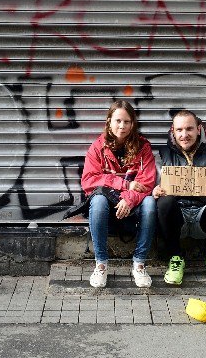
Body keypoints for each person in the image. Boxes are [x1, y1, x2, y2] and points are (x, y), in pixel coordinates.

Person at [152, 110, 206, 284]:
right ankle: (175, 258)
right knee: (164, 202)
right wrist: (154, 192)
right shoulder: (162, 156)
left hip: (204, 216)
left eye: (189, 129)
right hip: (178, 219)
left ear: (198, 129)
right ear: (173, 131)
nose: (184, 135)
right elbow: (151, 189)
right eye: (179, 130)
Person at [81, 100, 157, 288]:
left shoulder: (143, 148)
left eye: (127, 122)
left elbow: (147, 183)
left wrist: (128, 199)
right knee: (97, 201)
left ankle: (139, 264)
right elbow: (88, 181)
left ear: (133, 124)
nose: (122, 126)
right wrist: (124, 184)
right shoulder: (98, 147)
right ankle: (101, 265)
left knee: (150, 204)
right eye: (118, 121)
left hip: (133, 204)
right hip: (107, 204)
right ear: (109, 122)